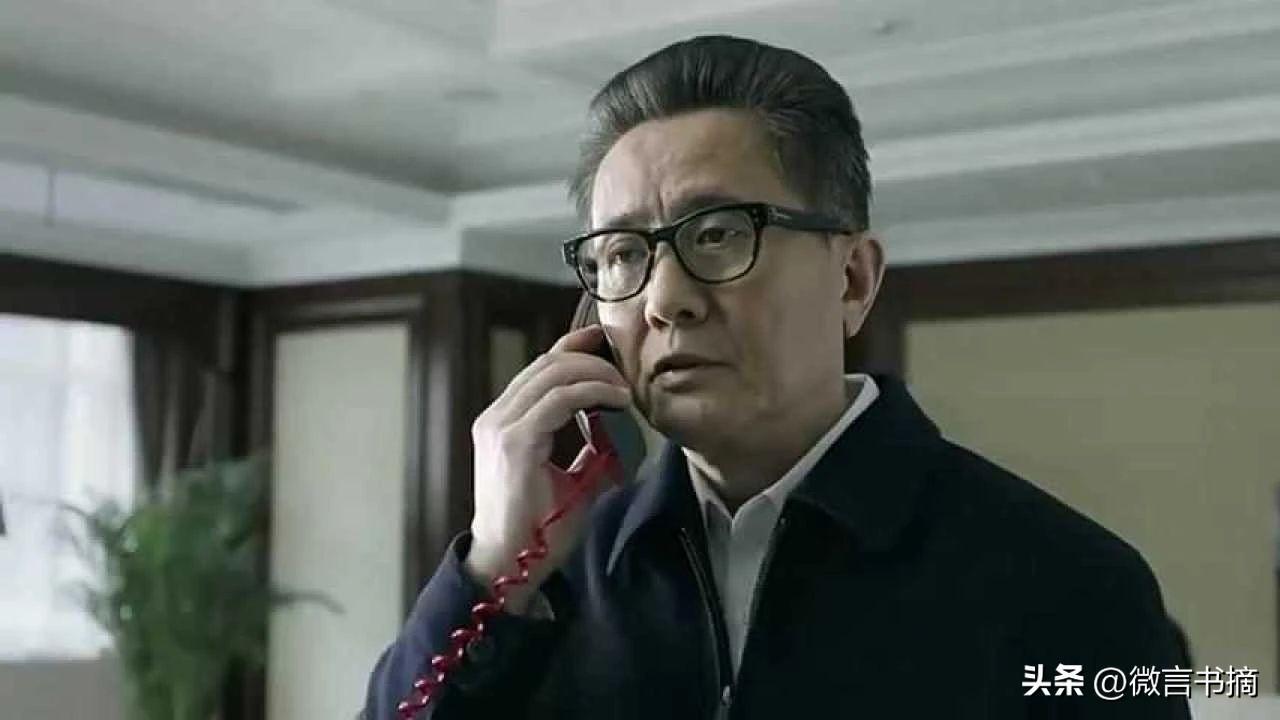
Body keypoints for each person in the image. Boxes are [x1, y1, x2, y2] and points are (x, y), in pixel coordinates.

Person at [364, 35, 1190, 719]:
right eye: (622, 254)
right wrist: (492, 569)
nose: (665, 299)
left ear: (853, 280)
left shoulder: (1070, 583)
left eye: (720, 233)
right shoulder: (557, 572)